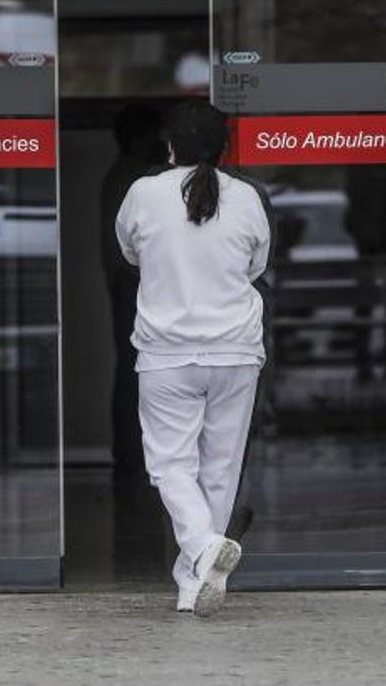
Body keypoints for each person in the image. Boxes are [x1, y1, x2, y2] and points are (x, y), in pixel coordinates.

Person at [115, 100, 270, 617]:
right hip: (234, 351)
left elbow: (130, 253)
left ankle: (202, 550)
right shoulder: (246, 197)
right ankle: (193, 581)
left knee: (170, 465)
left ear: (170, 146)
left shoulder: (143, 193)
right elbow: (256, 265)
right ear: (225, 148)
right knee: (220, 468)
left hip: (167, 353)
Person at [100, 104, 165, 474]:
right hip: (133, 284)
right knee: (134, 371)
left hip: (130, 283)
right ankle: (131, 455)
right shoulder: (134, 181)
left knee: (132, 370)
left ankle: (130, 455)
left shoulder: (126, 178)